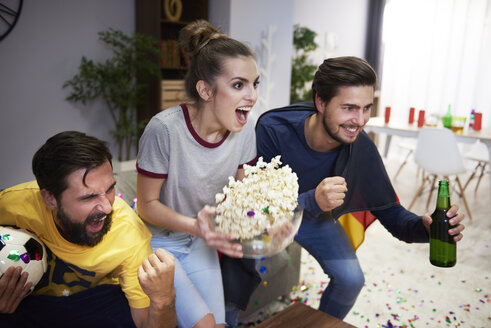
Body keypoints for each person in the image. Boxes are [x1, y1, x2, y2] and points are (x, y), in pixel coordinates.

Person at [223, 56, 466, 324]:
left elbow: (392, 215)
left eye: (366, 108)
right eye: (349, 108)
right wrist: (312, 199)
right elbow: (253, 207)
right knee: (234, 268)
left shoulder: (361, 148)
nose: (360, 120)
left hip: (312, 220)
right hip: (268, 217)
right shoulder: (274, 129)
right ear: (321, 102)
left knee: (351, 280)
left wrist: (425, 228)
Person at [136, 20, 259, 328]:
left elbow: (240, 196)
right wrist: (197, 227)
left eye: (255, 83)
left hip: (202, 243)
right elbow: (146, 205)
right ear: (205, 90)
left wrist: (255, 216)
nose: (252, 96)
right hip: (160, 246)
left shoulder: (244, 130)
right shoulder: (164, 130)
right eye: (238, 85)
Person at [0, 131, 176, 327]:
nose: (108, 208)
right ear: (50, 199)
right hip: (30, 307)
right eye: (89, 197)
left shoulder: (127, 232)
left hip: (96, 305)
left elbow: (144, 323)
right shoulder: (12, 205)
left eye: (110, 189)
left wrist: (164, 300)